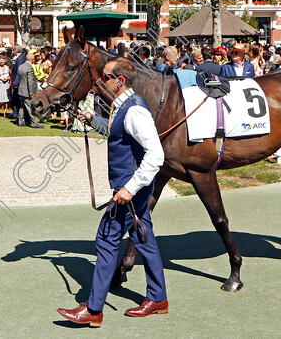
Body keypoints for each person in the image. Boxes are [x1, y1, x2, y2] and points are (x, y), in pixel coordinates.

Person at [58, 59, 167, 327]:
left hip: (129, 192)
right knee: (144, 239)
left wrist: (129, 189)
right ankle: (158, 298)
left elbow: (156, 155)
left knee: (106, 240)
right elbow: (119, 133)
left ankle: (93, 310)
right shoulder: (124, 106)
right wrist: (93, 119)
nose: (100, 82)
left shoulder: (134, 111)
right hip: (133, 190)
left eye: (105, 77)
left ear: (119, 81)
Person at [16, 51, 43, 128]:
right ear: (33, 59)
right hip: (27, 91)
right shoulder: (29, 68)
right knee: (30, 107)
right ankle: (34, 123)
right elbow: (30, 81)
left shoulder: (21, 66)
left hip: (21, 89)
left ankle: (21, 121)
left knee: (22, 107)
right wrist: (31, 93)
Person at [0, 54, 11, 119]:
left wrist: (7, 78)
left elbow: (9, 75)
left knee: (5, 99)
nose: (2, 62)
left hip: (5, 84)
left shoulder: (7, 67)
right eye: (0, 61)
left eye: (3, 61)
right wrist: (0, 78)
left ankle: (5, 112)